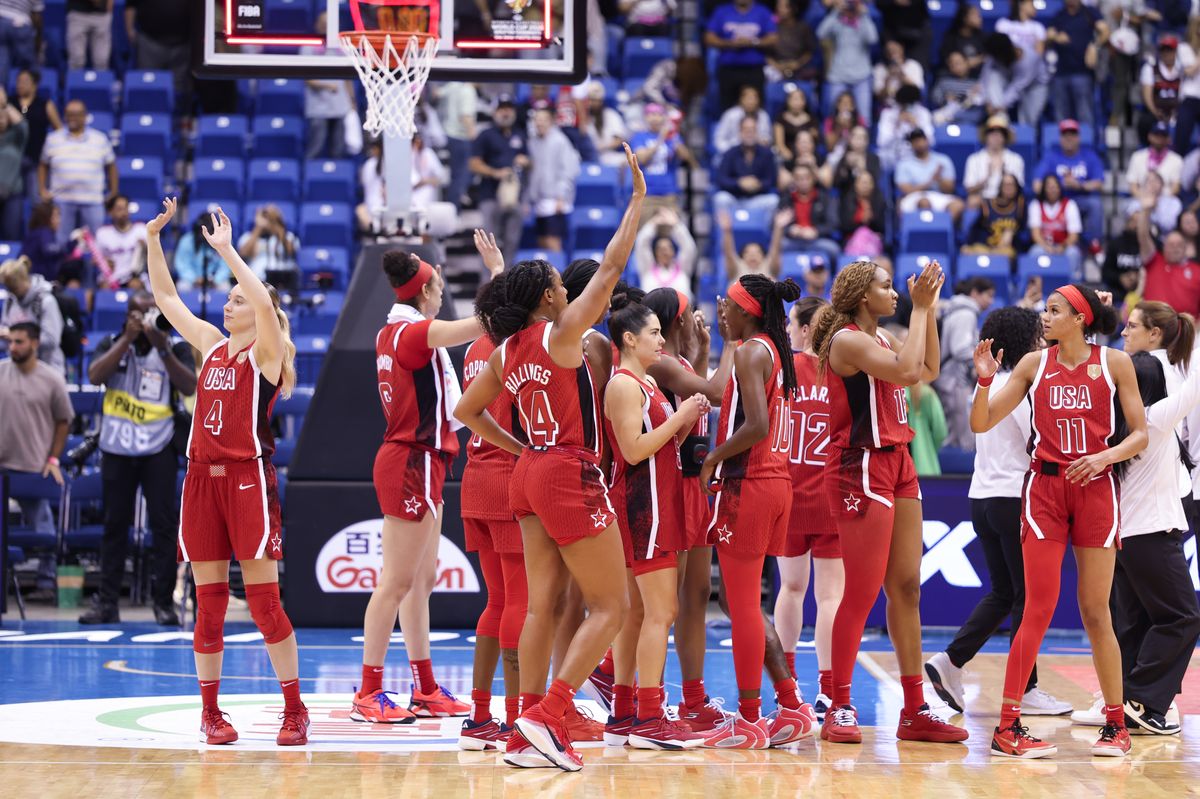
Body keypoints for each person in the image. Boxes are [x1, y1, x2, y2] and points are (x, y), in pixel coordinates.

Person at [454, 144, 645, 772]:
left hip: (526, 475)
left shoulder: (506, 349)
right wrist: (637, 203)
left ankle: (521, 727)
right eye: (560, 285)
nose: (568, 290)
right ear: (545, 299)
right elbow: (613, 268)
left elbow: (465, 412)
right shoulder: (562, 335)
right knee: (611, 606)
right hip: (566, 472)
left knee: (538, 607)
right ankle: (548, 712)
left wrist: (517, 447)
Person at [144, 198, 308, 747]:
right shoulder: (212, 347)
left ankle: (294, 709)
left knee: (264, 604)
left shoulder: (266, 351)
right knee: (208, 603)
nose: (228, 305)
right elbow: (166, 298)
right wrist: (153, 240)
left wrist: (228, 252)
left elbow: (262, 299)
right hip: (199, 480)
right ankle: (211, 714)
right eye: (229, 300)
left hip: (246, 480)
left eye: (236, 301)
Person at [971, 284, 1147, 758]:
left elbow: (1141, 435)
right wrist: (985, 381)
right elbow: (981, 423)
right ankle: (1008, 724)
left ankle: (1116, 723)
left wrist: (1104, 456)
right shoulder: (1033, 365)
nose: (1043, 318)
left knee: (1095, 611)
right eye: (1044, 310)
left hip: (1096, 488)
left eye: (1053, 311)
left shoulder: (1115, 364)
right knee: (1038, 608)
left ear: (1080, 318)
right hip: (1044, 489)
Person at [809, 258, 968, 746]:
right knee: (861, 591)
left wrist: (931, 310)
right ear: (863, 297)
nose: (895, 292)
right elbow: (904, 372)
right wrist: (918, 311)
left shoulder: (881, 337)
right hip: (860, 466)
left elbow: (928, 369)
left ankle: (915, 708)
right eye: (886, 286)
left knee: (907, 588)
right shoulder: (847, 340)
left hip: (898, 463)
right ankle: (837, 704)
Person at [357, 234, 504, 728]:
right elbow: (480, 324)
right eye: (438, 286)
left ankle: (424, 687)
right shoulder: (412, 334)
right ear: (424, 292)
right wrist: (498, 274)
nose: (441, 293)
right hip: (410, 460)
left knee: (422, 581)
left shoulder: (397, 332)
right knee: (395, 582)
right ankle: (368, 690)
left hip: (423, 460)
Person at [925, 307, 1074, 717]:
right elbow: (1040, 442)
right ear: (1026, 341)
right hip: (1016, 499)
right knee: (1027, 599)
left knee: (1005, 593)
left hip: (982, 500)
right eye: (1037, 336)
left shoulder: (986, 386)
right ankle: (1025, 689)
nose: (1043, 342)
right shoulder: (1023, 388)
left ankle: (950, 660)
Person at [697, 273, 817, 749]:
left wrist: (712, 457)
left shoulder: (750, 352)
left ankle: (747, 719)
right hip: (776, 483)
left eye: (727, 303)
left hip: (751, 483)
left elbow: (758, 425)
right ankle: (791, 702)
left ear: (748, 310)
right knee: (738, 600)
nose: (721, 309)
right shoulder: (772, 349)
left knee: (742, 605)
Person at [602, 294, 710, 750]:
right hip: (643, 504)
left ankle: (625, 711)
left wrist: (685, 423)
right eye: (653, 333)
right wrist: (681, 415)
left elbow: (659, 445)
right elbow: (632, 450)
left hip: (651, 498)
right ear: (629, 339)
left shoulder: (643, 383)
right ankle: (649, 715)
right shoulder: (625, 384)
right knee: (662, 612)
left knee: (640, 614)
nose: (661, 339)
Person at [641, 288, 736, 732]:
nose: (695, 314)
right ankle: (650, 700)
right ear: (675, 319)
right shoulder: (657, 363)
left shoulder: (676, 362)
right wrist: (731, 339)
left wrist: (700, 353)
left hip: (695, 485)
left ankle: (693, 700)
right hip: (668, 488)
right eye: (687, 310)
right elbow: (716, 392)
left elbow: (695, 398)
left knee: (697, 595)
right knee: (666, 604)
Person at [77, 292, 196, 627]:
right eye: (139, 314)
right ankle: (107, 603)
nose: (146, 320)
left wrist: (162, 347)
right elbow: (95, 376)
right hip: (117, 446)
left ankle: (163, 604)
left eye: (151, 313)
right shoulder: (113, 342)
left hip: (158, 448)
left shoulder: (175, 347)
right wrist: (127, 340)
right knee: (114, 526)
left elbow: (189, 386)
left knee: (163, 526)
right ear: (127, 316)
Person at [1110, 304, 1200, 735]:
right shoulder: (1155, 419)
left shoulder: (1114, 423)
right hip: (1151, 533)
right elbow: (1194, 388)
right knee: (1183, 617)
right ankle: (1144, 701)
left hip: (1123, 536)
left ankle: (1122, 701)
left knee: (1136, 621)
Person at [457, 304, 529, 750]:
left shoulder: (472, 349)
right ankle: (516, 718)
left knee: (497, 601)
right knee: (520, 601)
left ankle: (479, 714)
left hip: (474, 480)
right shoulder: (515, 351)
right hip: (506, 477)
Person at [773, 297, 844, 723]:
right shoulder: (844, 369)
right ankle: (829, 690)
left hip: (789, 494)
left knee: (791, 589)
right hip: (832, 496)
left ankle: (788, 685)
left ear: (801, 330)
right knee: (831, 595)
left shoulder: (784, 369)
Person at [0, 321, 72, 598]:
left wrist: (53, 459)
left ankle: (45, 582)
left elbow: (63, 421)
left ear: (35, 343)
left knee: (44, 526)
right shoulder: (2, 371)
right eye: (11, 342)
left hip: (33, 466)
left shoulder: (52, 378)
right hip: (2, 465)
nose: (13, 347)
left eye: (19, 342)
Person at [38, 99, 117, 245]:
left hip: (92, 200)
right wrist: (42, 189)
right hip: (62, 201)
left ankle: (92, 269)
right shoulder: (53, 139)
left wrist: (113, 191)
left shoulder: (99, 139)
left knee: (95, 245)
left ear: (85, 116)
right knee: (60, 243)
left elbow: (111, 165)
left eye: (76, 114)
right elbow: (43, 164)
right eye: (69, 114)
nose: (72, 118)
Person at [933, 277, 996, 451]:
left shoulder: (960, 311)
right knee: (962, 434)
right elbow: (959, 348)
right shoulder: (965, 313)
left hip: (950, 378)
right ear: (975, 293)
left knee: (954, 432)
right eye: (988, 295)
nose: (991, 301)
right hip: (954, 380)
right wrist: (980, 359)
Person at [469, 98, 529, 268]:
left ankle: (508, 283)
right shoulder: (486, 135)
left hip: (514, 195)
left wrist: (526, 161)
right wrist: (495, 173)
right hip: (491, 195)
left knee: (512, 241)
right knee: (488, 243)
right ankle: (487, 284)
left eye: (509, 108)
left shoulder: (520, 135)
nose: (506, 112)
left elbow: (530, 164)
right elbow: (473, 163)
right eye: (502, 109)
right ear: (495, 112)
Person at [1032, 119, 1107, 243]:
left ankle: (1095, 245)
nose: (1069, 138)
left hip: (1080, 199)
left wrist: (1079, 185)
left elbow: (1099, 183)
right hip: (1057, 202)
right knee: (1036, 204)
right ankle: (1046, 243)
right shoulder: (1051, 157)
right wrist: (1058, 187)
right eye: (1065, 134)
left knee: (1095, 204)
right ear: (1060, 138)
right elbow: (1036, 186)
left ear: (1078, 137)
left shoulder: (1089, 156)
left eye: (1072, 134)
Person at [704, 0, 777, 111]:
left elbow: (773, 38)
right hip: (728, 69)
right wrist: (729, 43)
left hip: (754, 69)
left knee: (755, 108)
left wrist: (752, 42)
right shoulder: (722, 11)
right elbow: (708, 38)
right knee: (726, 109)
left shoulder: (762, 11)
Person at [1136, 192, 1200, 317]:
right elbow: (1143, 236)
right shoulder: (1154, 261)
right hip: (1152, 326)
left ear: (1185, 248)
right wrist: (1146, 211)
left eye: (1179, 245)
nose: (1175, 249)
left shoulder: (1197, 271)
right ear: (1164, 247)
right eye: (1171, 245)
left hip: (1187, 331)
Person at [631, 102, 697, 223]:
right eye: (651, 114)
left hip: (668, 194)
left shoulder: (672, 137)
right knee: (644, 232)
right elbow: (642, 158)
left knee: (674, 228)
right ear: (645, 117)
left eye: (659, 114)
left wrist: (675, 136)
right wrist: (661, 138)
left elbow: (688, 159)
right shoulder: (639, 137)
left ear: (664, 118)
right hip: (647, 194)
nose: (655, 118)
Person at [527, 107, 581, 253]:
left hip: (555, 200)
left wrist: (561, 196)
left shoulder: (560, 141)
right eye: (537, 119)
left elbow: (569, 169)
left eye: (543, 119)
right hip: (539, 200)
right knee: (542, 240)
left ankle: (558, 275)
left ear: (551, 121)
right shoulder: (533, 142)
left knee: (553, 241)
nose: (540, 123)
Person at [125, 0, 192, 117]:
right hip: (150, 41)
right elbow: (131, 4)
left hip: (183, 44)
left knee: (180, 90)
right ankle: (148, 121)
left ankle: (176, 122)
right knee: (148, 87)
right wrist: (130, 29)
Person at [0, 255, 63, 373]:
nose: (12, 292)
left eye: (14, 288)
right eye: (9, 289)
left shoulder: (46, 301)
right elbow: (5, 342)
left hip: (47, 370)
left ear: (24, 280)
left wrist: (16, 337)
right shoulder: (10, 302)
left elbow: (51, 340)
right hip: (18, 371)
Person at [817, 0, 878, 121]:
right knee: (833, 115)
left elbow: (873, 39)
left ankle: (862, 139)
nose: (850, 8)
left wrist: (864, 15)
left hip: (862, 76)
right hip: (838, 76)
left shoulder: (863, 22)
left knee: (864, 117)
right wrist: (836, 11)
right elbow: (820, 33)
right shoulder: (837, 21)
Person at [1046, 0, 1104, 127]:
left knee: (1084, 115)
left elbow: (1105, 31)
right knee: (1060, 116)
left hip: (1083, 72)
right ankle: (1060, 145)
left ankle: (1086, 144)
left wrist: (1095, 46)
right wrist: (1056, 37)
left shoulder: (1089, 13)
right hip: (1061, 73)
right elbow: (1048, 34)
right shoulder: (1059, 15)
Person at [995, 0, 1050, 125]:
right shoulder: (1004, 24)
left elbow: (1037, 56)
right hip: (1009, 74)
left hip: (1034, 80)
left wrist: (1003, 103)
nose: (1034, 7)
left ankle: (1024, 141)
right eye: (1031, 3)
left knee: (1027, 121)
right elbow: (998, 50)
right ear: (1021, 4)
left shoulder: (1037, 27)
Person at [713, 116, 778, 217]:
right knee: (721, 198)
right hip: (735, 198)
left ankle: (765, 232)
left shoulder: (767, 154)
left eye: (752, 130)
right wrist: (739, 183)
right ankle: (724, 232)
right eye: (746, 130)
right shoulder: (730, 153)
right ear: (740, 132)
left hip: (757, 199)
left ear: (757, 132)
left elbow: (771, 179)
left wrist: (758, 184)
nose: (749, 133)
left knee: (773, 201)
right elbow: (722, 179)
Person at [14, 69, 61, 203]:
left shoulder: (45, 104)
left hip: (37, 160)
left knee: (37, 200)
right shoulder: (8, 103)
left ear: (35, 85)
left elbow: (59, 131)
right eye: (18, 81)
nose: (20, 85)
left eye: (24, 81)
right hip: (13, 160)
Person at [895, 129, 963, 221]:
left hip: (938, 195)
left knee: (957, 205)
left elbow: (949, 189)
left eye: (921, 139)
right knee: (924, 202)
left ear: (927, 140)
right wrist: (931, 181)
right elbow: (907, 191)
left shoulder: (943, 160)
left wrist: (939, 179)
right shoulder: (904, 164)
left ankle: (942, 230)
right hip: (914, 197)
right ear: (911, 144)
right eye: (915, 141)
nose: (919, 143)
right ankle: (927, 232)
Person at [781, 163, 839, 266]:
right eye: (799, 178)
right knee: (778, 246)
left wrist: (816, 231)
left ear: (813, 179)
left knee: (833, 250)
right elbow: (776, 224)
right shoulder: (786, 199)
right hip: (793, 241)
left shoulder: (825, 198)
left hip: (816, 241)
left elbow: (832, 223)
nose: (803, 181)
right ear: (794, 180)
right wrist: (790, 229)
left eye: (806, 178)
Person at [1028, 174, 1084, 277]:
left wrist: (1062, 246)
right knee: (1035, 252)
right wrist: (1046, 246)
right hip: (1044, 245)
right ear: (1044, 189)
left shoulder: (1070, 205)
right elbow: (1035, 234)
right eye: (1049, 187)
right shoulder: (1036, 205)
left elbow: (1074, 235)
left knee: (1073, 253)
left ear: (1060, 188)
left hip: (1064, 245)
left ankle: (1071, 284)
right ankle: (1036, 285)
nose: (1052, 190)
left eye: (1055, 187)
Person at [964, 115, 1025, 209]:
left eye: (999, 133)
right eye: (992, 133)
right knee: (972, 201)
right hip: (983, 199)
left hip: (1007, 199)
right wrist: (986, 178)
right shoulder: (974, 159)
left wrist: (1005, 179)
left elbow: (1019, 186)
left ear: (1004, 138)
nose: (995, 137)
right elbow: (969, 188)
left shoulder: (1016, 159)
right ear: (986, 136)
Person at [632, 207, 697, 295]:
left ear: (673, 252)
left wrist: (676, 224)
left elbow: (689, 247)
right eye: (661, 249)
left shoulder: (683, 268)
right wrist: (653, 223)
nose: (665, 252)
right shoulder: (647, 269)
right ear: (656, 253)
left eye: (668, 248)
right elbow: (641, 244)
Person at [963, 172, 1027, 257]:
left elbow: (1025, 233)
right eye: (1005, 184)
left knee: (1008, 253)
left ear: (1016, 187)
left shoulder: (1021, 205)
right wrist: (968, 245)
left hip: (1008, 250)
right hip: (987, 249)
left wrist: (1012, 234)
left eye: (1011, 184)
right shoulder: (988, 205)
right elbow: (975, 229)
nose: (1008, 187)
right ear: (1000, 187)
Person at [435, 82, 477, 210]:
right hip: (461, 137)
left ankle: (451, 207)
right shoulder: (468, 89)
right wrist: (474, 140)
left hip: (447, 135)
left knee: (455, 177)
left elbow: (436, 93)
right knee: (460, 177)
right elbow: (465, 116)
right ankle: (454, 210)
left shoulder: (451, 85)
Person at [236, 204, 300, 286]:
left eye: (269, 219)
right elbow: (243, 254)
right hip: (257, 281)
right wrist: (258, 227)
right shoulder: (248, 237)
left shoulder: (287, 236)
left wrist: (276, 226)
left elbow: (291, 251)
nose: (266, 221)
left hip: (283, 279)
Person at [875, 84, 934, 171]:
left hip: (915, 154)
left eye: (910, 104)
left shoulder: (923, 113)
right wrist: (896, 125)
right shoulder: (887, 114)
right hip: (893, 154)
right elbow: (882, 142)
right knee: (880, 157)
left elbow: (931, 141)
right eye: (904, 105)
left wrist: (917, 125)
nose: (907, 108)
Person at [718, 208, 788, 279]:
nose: (752, 255)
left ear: (764, 256)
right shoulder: (736, 269)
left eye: (757, 252)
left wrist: (778, 228)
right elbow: (729, 254)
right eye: (747, 252)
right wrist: (726, 231)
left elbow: (775, 250)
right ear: (742, 257)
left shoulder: (770, 268)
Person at [95, 194, 148, 288]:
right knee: (105, 287)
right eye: (119, 209)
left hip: (134, 276)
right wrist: (104, 262)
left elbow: (155, 258)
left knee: (135, 285)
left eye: (125, 208)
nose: (123, 212)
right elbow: (95, 259)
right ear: (111, 212)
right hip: (111, 277)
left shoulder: (141, 230)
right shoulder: (103, 233)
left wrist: (146, 248)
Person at [1140, 34, 1184, 139]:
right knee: (1145, 122)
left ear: (1175, 52)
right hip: (1156, 112)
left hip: (1176, 113)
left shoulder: (1181, 70)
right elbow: (1147, 95)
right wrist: (1155, 112)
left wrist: (1176, 113)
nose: (1166, 53)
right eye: (1163, 50)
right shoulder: (1151, 68)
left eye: (1170, 50)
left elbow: (1184, 94)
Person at [837, 171, 887, 262]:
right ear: (856, 185)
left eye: (868, 182)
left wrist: (870, 219)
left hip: (873, 240)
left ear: (873, 185)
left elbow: (881, 227)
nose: (865, 185)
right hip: (850, 239)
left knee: (865, 233)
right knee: (861, 233)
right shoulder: (847, 202)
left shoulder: (879, 202)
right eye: (863, 182)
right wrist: (861, 221)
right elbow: (844, 226)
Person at [1127, 121, 1184, 196]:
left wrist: (1158, 203)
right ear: (1149, 136)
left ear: (1169, 139)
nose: (1159, 139)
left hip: (1167, 202)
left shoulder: (1177, 160)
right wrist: (1145, 201)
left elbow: (1176, 188)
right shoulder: (1137, 157)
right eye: (1156, 135)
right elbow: (1133, 186)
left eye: (1163, 136)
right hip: (1142, 200)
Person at [580, 83, 629, 169]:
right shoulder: (582, 117)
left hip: (608, 154)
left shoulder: (611, 114)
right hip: (586, 155)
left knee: (627, 160)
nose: (593, 103)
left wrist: (601, 147)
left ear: (601, 101)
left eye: (596, 100)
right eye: (590, 100)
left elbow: (618, 140)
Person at [713, 86, 772, 156]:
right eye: (749, 98)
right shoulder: (730, 115)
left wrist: (764, 142)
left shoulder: (763, 116)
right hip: (732, 154)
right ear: (741, 99)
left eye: (754, 98)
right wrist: (732, 152)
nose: (752, 102)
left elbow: (767, 137)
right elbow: (719, 140)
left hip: (756, 154)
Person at [930, 51, 985, 126]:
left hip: (970, 114)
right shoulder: (944, 82)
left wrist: (975, 95)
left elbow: (982, 101)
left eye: (959, 63)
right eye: (953, 64)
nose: (957, 67)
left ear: (966, 63)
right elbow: (935, 97)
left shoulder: (976, 83)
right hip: (949, 112)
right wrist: (945, 99)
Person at [768, 0, 818, 81]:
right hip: (774, 70)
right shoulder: (772, 27)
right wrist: (776, 65)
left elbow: (810, 51)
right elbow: (765, 53)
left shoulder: (802, 28)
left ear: (793, 9)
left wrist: (797, 64)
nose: (779, 9)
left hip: (799, 70)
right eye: (778, 6)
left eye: (784, 7)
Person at [0, 89, 26, 240]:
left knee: (11, 235)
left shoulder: (16, 139)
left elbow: (22, 125)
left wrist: (4, 104)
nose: (0, 119)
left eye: (3, 116)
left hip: (12, 195)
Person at [873, 40, 926, 108]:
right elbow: (879, 96)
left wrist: (901, 75)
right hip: (889, 107)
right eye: (889, 51)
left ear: (902, 49)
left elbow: (918, 91)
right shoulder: (879, 68)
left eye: (894, 50)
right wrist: (888, 77)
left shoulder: (913, 65)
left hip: (911, 105)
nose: (892, 54)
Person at [773, 87, 819, 163]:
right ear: (788, 101)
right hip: (787, 156)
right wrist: (792, 159)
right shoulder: (780, 119)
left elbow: (814, 142)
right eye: (794, 99)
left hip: (807, 155)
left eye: (800, 99)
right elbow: (779, 144)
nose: (797, 102)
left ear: (804, 102)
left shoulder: (812, 120)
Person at [0, 0, 39, 90]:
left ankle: (1, 95)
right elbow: (37, 17)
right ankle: (32, 98)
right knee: (29, 65)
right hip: (20, 22)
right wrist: (37, 43)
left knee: (2, 63)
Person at [940, 4, 986, 75]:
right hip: (954, 75)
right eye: (976, 15)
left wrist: (974, 62)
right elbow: (946, 58)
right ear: (965, 18)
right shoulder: (951, 37)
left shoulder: (983, 37)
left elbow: (988, 56)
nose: (980, 19)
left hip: (978, 76)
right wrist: (963, 65)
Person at [66, 0, 112, 70]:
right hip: (78, 13)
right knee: (76, 59)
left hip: (102, 15)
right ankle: (75, 80)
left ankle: (101, 80)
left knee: (102, 60)